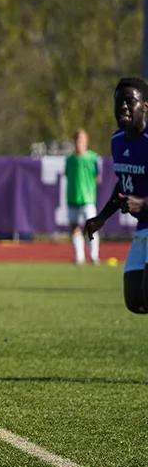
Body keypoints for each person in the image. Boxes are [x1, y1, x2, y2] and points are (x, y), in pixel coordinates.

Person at [87, 78, 148, 312]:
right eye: (119, 101)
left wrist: (142, 202)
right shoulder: (117, 140)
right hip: (143, 227)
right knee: (135, 301)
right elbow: (123, 182)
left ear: (145, 106)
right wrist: (103, 216)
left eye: (130, 101)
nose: (123, 106)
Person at [66, 129, 101, 265]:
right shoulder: (69, 160)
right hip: (72, 198)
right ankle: (79, 257)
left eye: (81, 139)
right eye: (76, 139)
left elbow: (97, 177)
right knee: (74, 227)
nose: (78, 142)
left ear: (86, 141)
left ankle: (94, 256)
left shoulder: (93, 158)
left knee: (91, 226)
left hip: (88, 199)